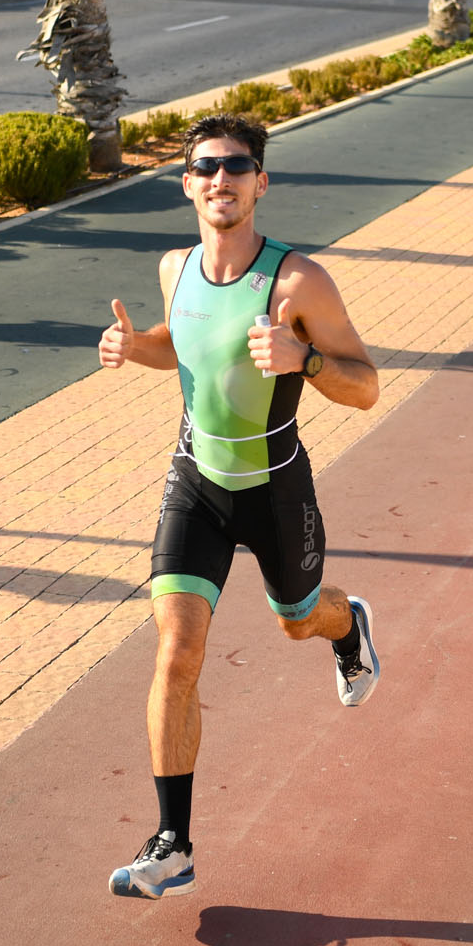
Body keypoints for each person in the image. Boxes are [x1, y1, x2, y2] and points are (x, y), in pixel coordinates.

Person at [96, 114, 383, 899]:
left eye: (237, 166)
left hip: (275, 487)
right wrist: (134, 348)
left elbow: (366, 386)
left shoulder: (298, 283)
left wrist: (307, 357)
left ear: (262, 181)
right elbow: (177, 344)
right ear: (187, 182)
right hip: (195, 482)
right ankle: (174, 844)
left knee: (297, 619)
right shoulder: (174, 268)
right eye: (206, 167)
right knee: (175, 653)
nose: (221, 179)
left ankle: (346, 623)